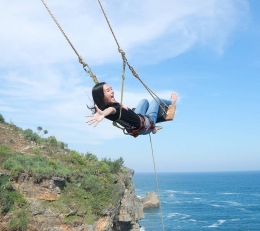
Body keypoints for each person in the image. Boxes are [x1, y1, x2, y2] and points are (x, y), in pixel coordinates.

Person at [86, 82, 178, 137]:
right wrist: (103, 114)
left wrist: (103, 113)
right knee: (156, 100)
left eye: (111, 89)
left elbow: (107, 108)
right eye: (108, 90)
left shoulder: (106, 105)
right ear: (102, 97)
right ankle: (171, 102)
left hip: (137, 119)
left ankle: (153, 127)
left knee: (144, 101)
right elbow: (110, 110)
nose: (112, 91)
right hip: (145, 125)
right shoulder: (114, 109)